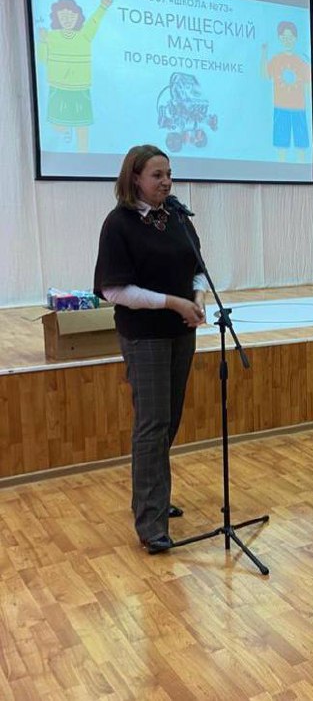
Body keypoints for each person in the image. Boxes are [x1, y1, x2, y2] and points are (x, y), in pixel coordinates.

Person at [94, 145, 207, 554]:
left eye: (169, 174)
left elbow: (198, 266)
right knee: (152, 424)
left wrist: (197, 297)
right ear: (135, 178)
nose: (166, 182)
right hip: (145, 336)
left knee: (169, 419)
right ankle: (150, 522)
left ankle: (154, 497)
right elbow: (114, 289)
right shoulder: (119, 224)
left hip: (181, 332)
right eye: (157, 175)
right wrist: (172, 302)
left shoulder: (176, 217)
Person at [37, 0, 112, 153]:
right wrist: (42, 42)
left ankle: (84, 155)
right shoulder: (52, 36)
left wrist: (103, 7)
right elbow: (42, 59)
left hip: (80, 89)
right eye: (63, 16)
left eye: (72, 16)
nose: (67, 19)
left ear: (78, 17)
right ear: (57, 18)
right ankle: (65, 131)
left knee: (82, 127)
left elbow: (94, 22)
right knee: (57, 125)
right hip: (58, 88)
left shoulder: (84, 35)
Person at [260, 21, 312, 163]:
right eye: (284, 37)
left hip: (299, 108)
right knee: (281, 146)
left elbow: (308, 86)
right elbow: (264, 75)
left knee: (301, 146)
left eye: (290, 37)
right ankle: (281, 170)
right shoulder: (276, 59)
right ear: (280, 38)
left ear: (295, 39)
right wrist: (264, 52)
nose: (287, 40)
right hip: (280, 108)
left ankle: (302, 169)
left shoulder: (301, 61)